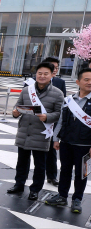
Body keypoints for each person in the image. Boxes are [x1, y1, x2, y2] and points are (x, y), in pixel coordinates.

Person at [8, 62, 64, 200]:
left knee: (40, 164)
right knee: (22, 162)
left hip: (42, 133)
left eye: (46, 73)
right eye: (40, 73)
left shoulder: (58, 94)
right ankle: (18, 184)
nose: (42, 76)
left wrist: (47, 117)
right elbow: (17, 107)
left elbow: (59, 114)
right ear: (36, 74)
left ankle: (35, 189)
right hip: (24, 132)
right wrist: (15, 113)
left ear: (52, 75)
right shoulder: (27, 90)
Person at [45, 67, 91, 214]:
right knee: (65, 170)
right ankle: (62, 196)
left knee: (82, 173)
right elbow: (60, 121)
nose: (90, 82)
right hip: (66, 143)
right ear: (78, 81)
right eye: (86, 79)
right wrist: (56, 139)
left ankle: (77, 199)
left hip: (86, 146)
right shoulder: (69, 100)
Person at [43, 56, 67, 186]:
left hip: (53, 122)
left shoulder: (60, 82)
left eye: (56, 68)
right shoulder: (32, 82)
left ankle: (52, 176)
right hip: (37, 122)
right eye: (52, 67)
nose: (55, 70)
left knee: (51, 150)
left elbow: (63, 104)